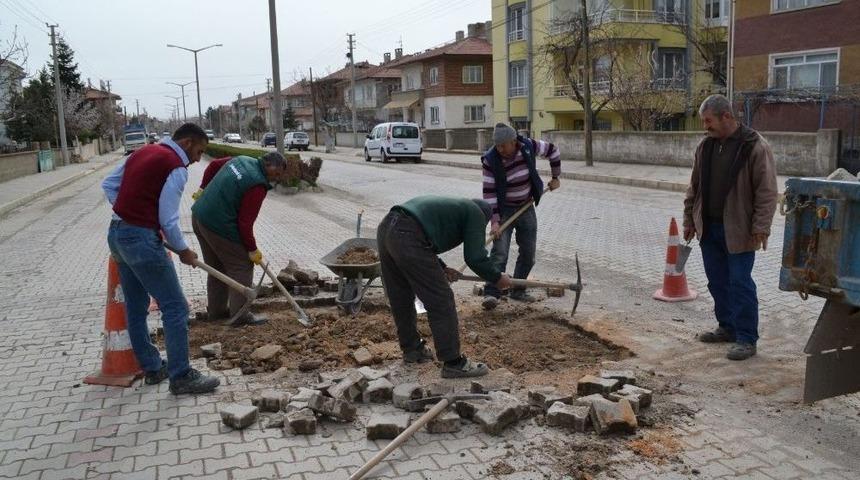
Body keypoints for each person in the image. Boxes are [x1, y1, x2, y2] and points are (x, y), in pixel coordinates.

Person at [102, 123, 220, 395]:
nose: (198, 159)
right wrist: (183, 250)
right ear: (188, 143)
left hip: (117, 234)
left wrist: (129, 213)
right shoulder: (175, 167)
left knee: (136, 304)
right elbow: (168, 219)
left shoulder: (143, 152)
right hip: (141, 240)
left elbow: (108, 185)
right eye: (199, 151)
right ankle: (181, 376)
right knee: (176, 307)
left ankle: (153, 368)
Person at [683, 94, 778, 361]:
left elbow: (767, 191)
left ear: (726, 116)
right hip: (709, 228)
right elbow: (694, 188)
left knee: (740, 283)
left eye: (708, 120)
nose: (705, 126)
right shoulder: (705, 147)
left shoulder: (755, 146)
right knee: (717, 282)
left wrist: (762, 226)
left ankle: (747, 338)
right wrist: (689, 221)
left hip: (740, 230)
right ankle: (727, 327)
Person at [377, 196, 512, 378]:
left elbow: (423, 237)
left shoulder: (457, 207)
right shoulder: (476, 214)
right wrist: (497, 278)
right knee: (441, 298)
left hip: (388, 227)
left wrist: (442, 268)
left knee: (400, 295)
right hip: (407, 235)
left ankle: (412, 350)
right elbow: (475, 258)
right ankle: (453, 363)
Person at [190, 153, 287, 326]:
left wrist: (202, 189)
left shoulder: (241, 160)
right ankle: (240, 316)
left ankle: (217, 312)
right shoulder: (257, 185)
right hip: (217, 225)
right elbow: (244, 224)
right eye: (277, 173)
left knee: (217, 268)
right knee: (241, 264)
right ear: (269, 165)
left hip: (199, 216)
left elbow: (212, 166)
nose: (277, 178)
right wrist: (252, 249)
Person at [481, 122, 561, 310]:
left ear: (513, 141)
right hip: (504, 210)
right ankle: (491, 293)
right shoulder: (490, 160)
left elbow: (553, 151)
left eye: (503, 145)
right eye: (497, 146)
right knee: (499, 253)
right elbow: (489, 192)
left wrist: (556, 177)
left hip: (526, 206)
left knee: (528, 253)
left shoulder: (528, 146)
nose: (500, 149)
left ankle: (517, 289)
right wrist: (494, 221)